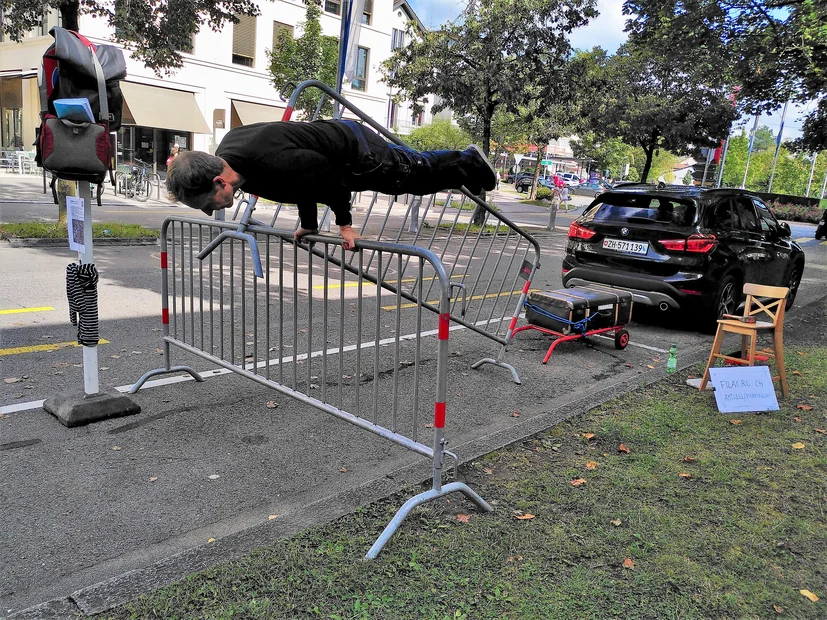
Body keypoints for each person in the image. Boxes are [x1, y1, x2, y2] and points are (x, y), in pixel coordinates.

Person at [166, 119, 496, 250]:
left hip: (354, 150)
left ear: (218, 180)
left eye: (208, 204)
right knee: (411, 184)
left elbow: (328, 179)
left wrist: (345, 226)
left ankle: (465, 160)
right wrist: (308, 225)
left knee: (414, 173)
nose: (213, 212)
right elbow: (302, 186)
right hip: (337, 156)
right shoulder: (235, 159)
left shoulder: (265, 163)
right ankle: (466, 173)